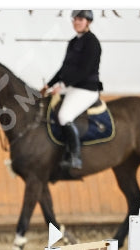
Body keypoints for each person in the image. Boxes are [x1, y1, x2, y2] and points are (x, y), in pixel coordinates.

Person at [41, 10, 102, 176]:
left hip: (86, 88)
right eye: (75, 19)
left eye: (80, 19)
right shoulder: (73, 41)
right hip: (72, 86)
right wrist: (49, 84)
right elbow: (64, 68)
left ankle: (75, 157)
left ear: (88, 22)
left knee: (64, 116)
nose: (76, 22)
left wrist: (63, 85)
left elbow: (86, 69)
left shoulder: (92, 42)